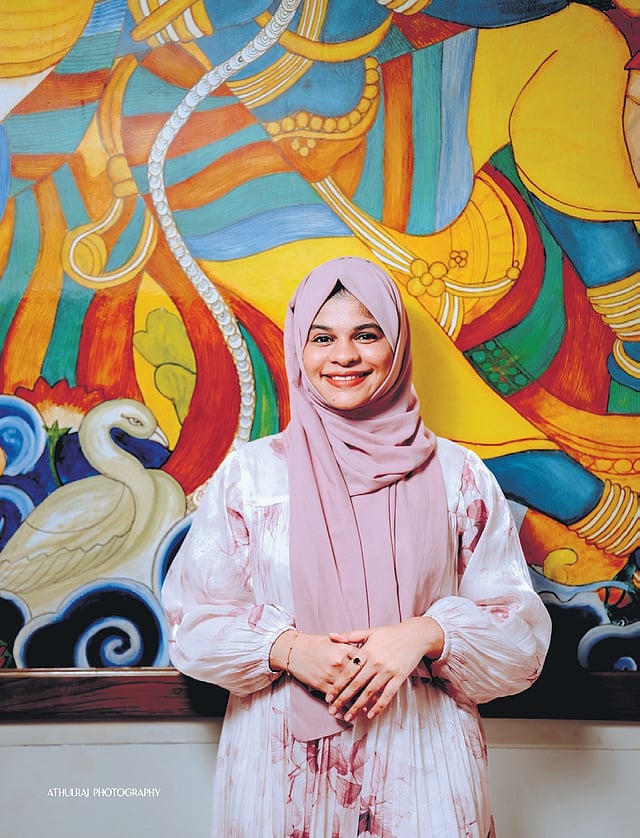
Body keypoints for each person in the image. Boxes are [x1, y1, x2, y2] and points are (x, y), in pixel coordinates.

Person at [161, 256, 552, 838]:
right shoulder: (251, 477)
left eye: (366, 335)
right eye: (322, 338)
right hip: (281, 772)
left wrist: (424, 635)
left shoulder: (459, 475)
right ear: (299, 349)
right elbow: (192, 624)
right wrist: (287, 648)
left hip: (423, 768)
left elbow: (520, 639)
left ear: (396, 346)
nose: (343, 356)